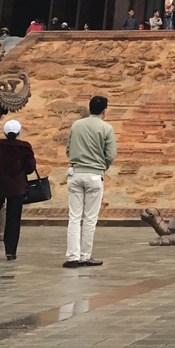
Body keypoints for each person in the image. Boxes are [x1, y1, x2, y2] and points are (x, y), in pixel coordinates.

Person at [64, 94, 116, 268]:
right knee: (90, 218)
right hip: (94, 174)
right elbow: (111, 154)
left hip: (76, 173)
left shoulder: (76, 125)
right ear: (104, 110)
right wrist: (102, 166)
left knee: (74, 217)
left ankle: (72, 256)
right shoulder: (106, 128)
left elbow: (68, 149)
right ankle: (85, 256)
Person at [0, 119, 36, 261]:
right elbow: (30, 168)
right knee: (13, 219)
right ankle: (10, 251)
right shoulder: (25, 147)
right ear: (18, 132)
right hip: (17, 188)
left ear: (4, 132)